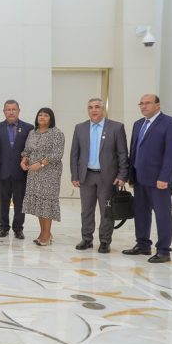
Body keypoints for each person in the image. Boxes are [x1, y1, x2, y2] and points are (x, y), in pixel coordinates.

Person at [123, 94, 172, 263]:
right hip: (140, 178)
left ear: (158, 105)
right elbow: (133, 151)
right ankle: (142, 244)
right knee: (141, 213)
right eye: (141, 103)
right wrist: (131, 176)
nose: (143, 106)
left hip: (159, 181)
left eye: (147, 103)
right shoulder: (138, 124)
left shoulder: (171, 124)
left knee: (163, 215)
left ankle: (164, 250)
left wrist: (164, 177)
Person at [70, 98, 128, 253]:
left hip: (108, 178)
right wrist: (74, 175)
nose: (93, 110)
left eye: (97, 107)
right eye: (90, 107)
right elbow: (74, 155)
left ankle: (104, 241)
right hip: (86, 177)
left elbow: (123, 154)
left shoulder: (116, 127)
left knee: (106, 211)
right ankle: (87, 239)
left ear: (103, 110)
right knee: (86, 210)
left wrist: (122, 175)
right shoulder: (80, 128)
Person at [21, 108, 65, 246]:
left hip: (49, 173)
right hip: (34, 174)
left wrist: (40, 164)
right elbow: (27, 150)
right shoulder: (32, 133)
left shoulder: (56, 134)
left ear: (51, 118)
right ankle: (43, 232)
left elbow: (57, 155)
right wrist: (24, 160)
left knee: (46, 203)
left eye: (46, 115)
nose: (42, 117)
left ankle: (47, 234)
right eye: (40, 115)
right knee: (39, 204)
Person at [0, 100, 33, 239]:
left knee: (20, 203)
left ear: (19, 110)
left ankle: (18, 228)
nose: (11, 112)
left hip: (20, 173)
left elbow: (31, 150)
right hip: (1, 172)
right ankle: (3, 227)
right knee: (2, 202)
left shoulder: (29, 128)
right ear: (4, 111)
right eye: (8, 109)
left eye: (14, 109)